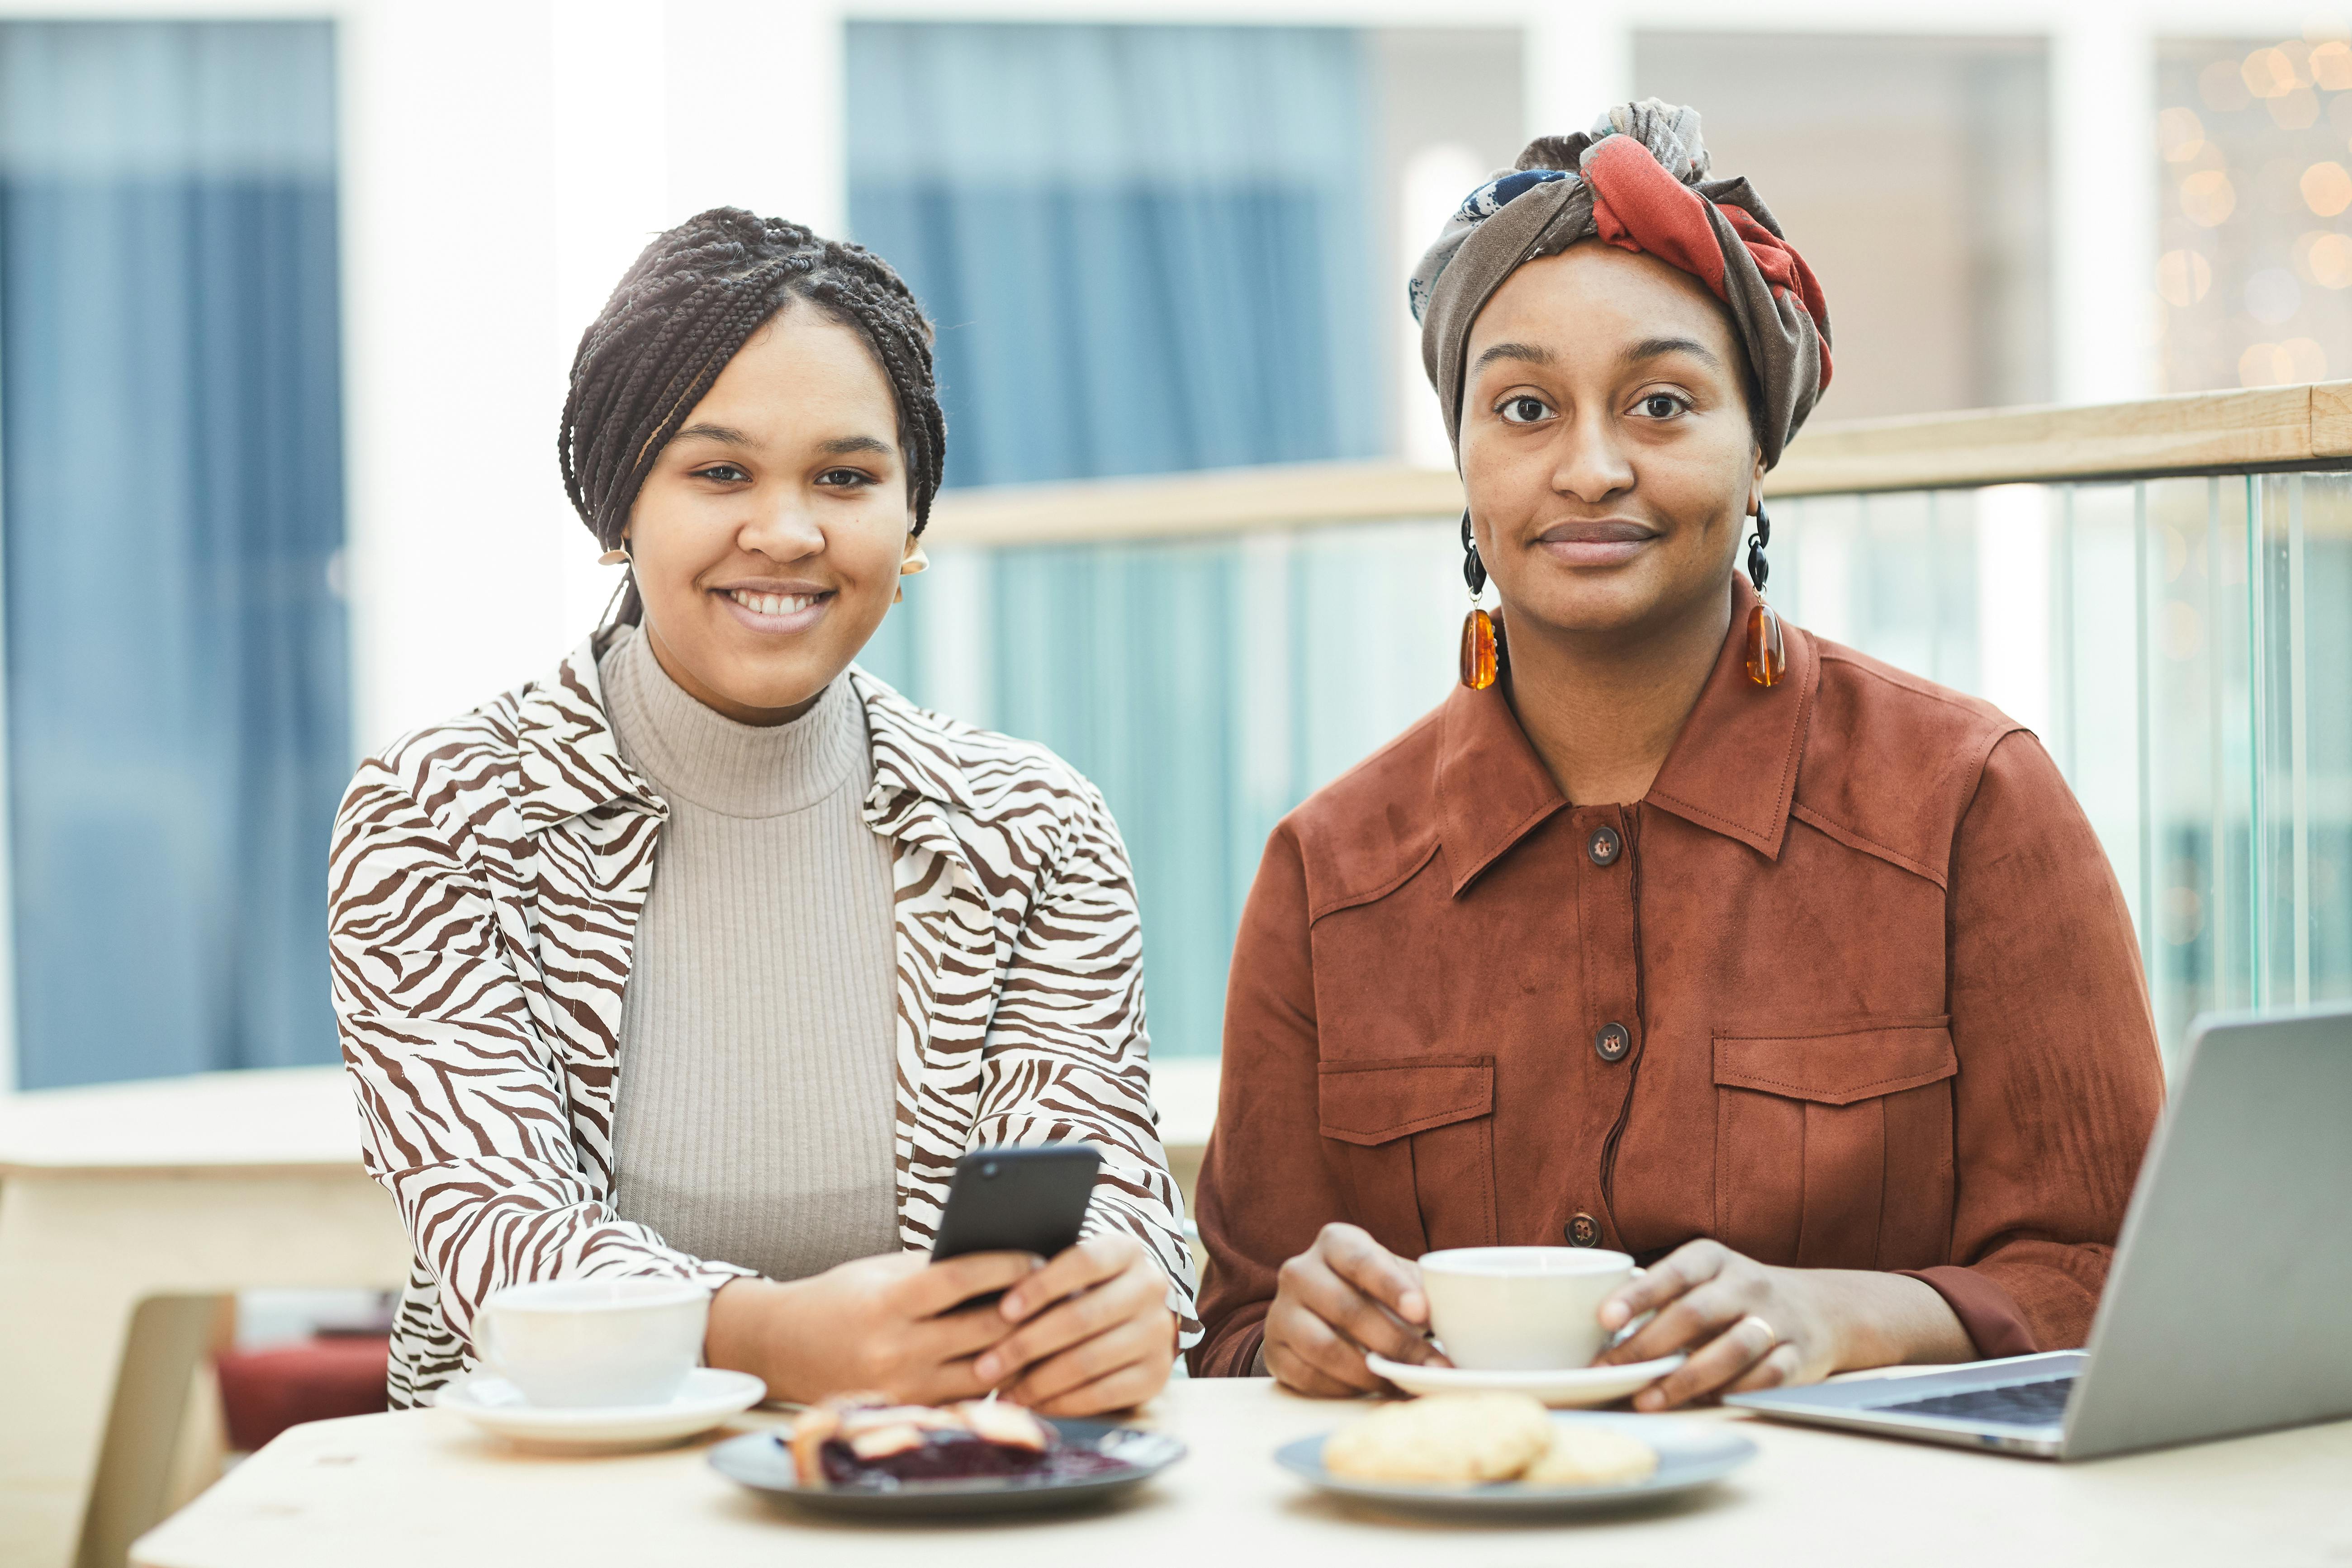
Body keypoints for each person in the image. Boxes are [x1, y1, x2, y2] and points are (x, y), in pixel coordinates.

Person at [1188, 103, 2165, 1408]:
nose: (1591, 468)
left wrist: (1845, 1316)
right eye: (1525, 407)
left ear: (1759, 446)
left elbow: (2124, 1275)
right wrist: (1297, 1333)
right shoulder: (1330, 870)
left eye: (1662, 403)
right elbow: (1242, 1329)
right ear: (1465, 462)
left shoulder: (1973, 801)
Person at [332, 209, 1195, 1415]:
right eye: (720, 470)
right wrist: (769, 1340)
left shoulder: (1033, 827)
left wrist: (1115, 1297)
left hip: (940, 1494)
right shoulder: (441, 813)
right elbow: (497, 1235)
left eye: (846, 476)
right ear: (622, 499)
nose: (786, 531)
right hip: (550, 1509)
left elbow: (1111, 1193)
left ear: (912, 517)